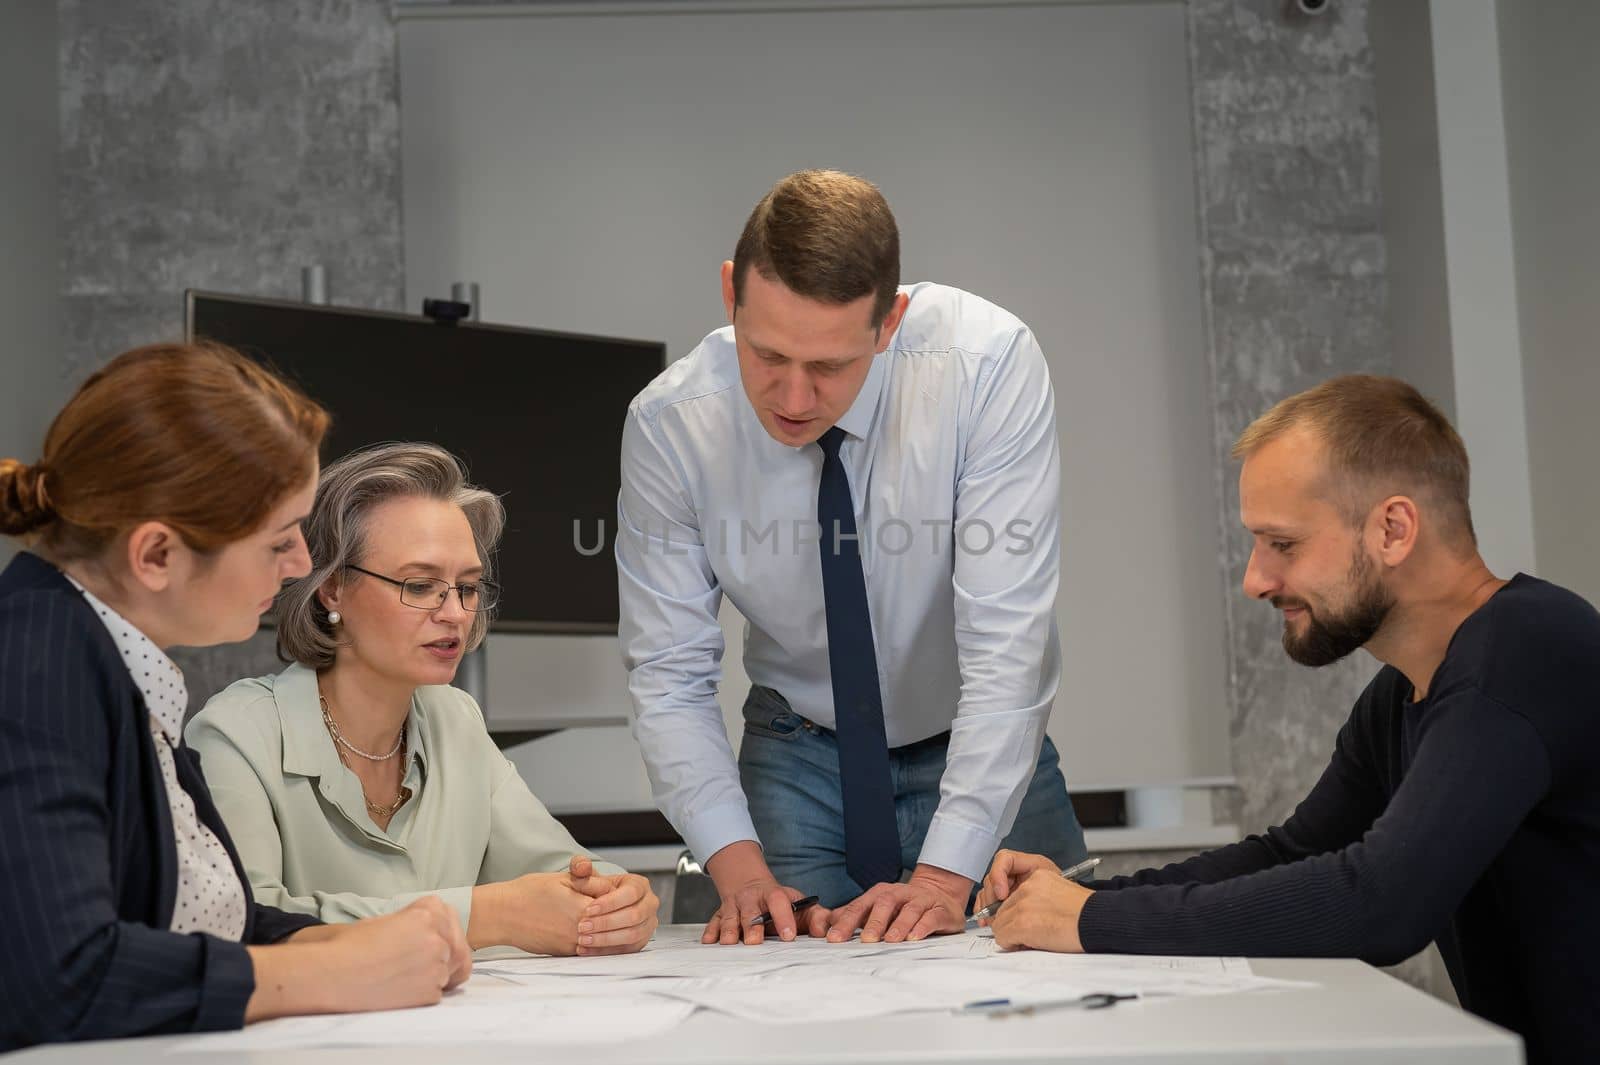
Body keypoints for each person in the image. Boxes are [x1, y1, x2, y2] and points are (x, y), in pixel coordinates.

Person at [975, 375, 1600, 1064]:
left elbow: (1384, 902)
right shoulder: (1403, 696)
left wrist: (1091, 919)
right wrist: (1073, 897)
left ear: (1393, 529)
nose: (1256, 579)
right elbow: (1294, 853)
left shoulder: (1526, 650)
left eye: (1284, 544)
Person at [617, 169, 1085, 947]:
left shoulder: (988, 365)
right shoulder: (672, 425)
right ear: (732, 289)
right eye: (766, 355)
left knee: (1057, 983)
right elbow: (668, 672)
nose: (794, 397)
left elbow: (1009, 648)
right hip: (797, 751)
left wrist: (942, 879)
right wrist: (739, 874)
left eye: (831, 366)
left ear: (890, 319)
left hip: (979, 741)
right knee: (771, 988)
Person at [0, 343, 471, 1052]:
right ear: (156, 555)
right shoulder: (37, 658)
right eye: (279, 540)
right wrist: (338, 970)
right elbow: (60, 976)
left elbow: (210, 924)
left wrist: (359, 940)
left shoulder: (107, 659)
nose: (302, 565)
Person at [188, 442, 658, 957]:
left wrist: (618, 899)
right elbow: (239, 926)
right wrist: (484, 916)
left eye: (468, 587)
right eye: (420, 585)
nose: (455, 613)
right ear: (332, 589)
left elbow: (558, 868)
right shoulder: (236, 735)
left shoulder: (453, 717)